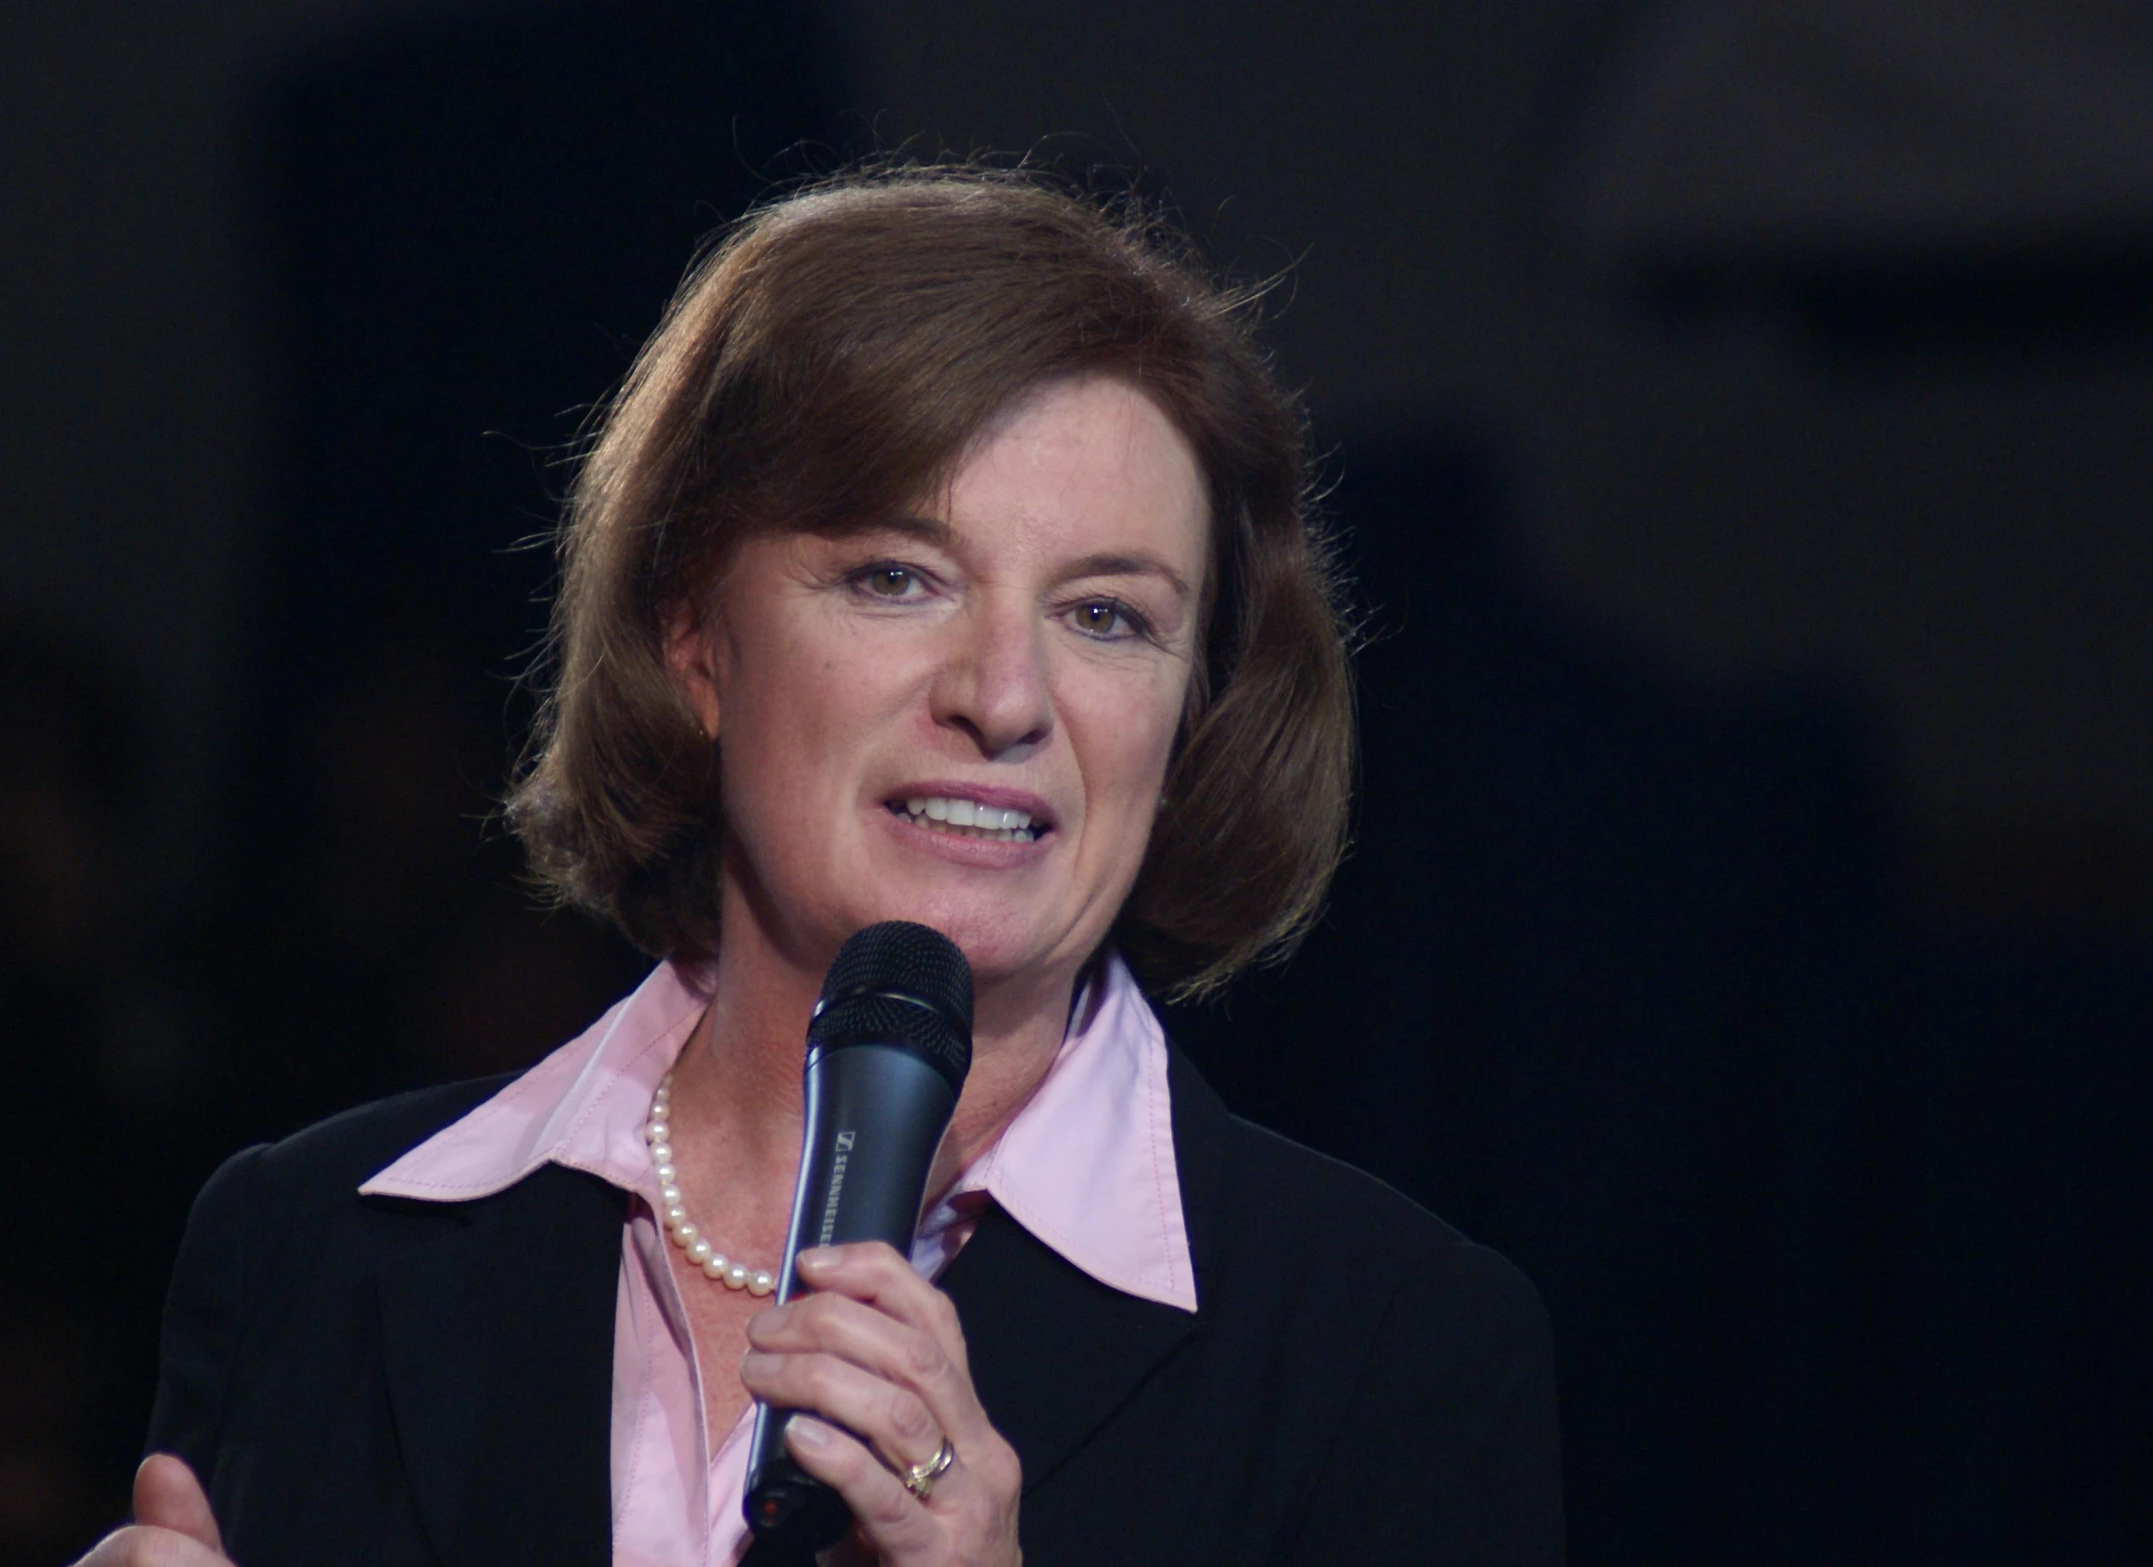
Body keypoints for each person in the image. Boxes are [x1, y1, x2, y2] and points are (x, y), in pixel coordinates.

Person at [79, 166, 1564, 1567]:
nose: (1004, 694)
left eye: (1105, 616)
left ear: (1195, 715)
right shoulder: (309, 1243)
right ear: (693, 634)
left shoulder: (1390, 1348)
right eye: (896, 578)